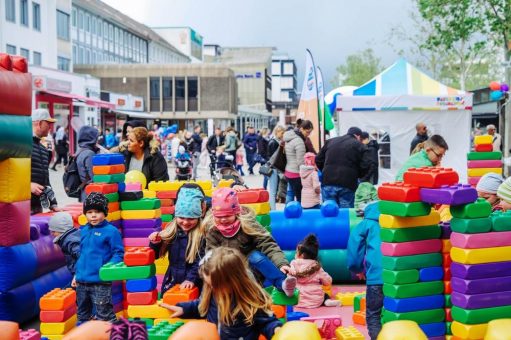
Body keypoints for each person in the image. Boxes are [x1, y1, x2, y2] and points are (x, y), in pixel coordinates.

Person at [160, 247, 282, 339]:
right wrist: (184, 309)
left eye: (216, 285)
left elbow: (267, 322)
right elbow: (202, 307)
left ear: (234, 281)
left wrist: (276, 329)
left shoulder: (251, 299)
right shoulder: (213, 292)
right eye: (209, 284)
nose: (212, 288)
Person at [204, 188, 296, 297]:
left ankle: (282, 284)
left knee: (256, 256)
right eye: (219, 217)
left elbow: (267, 243)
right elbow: (210, 255)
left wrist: (281, 263)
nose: (223, 220)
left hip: (249, 267)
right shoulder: (213, 230)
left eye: (227, 216)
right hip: (227, 269)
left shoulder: (247, 223)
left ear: (236, 213)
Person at [74, 192, 124, 323]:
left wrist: (107, 268)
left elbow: (118, 253)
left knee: (105, 315)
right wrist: (76, 274)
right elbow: (82, 254)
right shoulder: (84, 230)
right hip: (81, 282)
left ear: (104, 213)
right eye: (89, 212)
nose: (93, 215)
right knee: (82, 315)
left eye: (97, 211)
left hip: (100, 282)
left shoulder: (111, 231)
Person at [149, 187, 206, 294]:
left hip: (195, 284)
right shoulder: (171, 231)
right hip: (172, 281)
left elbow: (201, 262)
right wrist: (155, 243)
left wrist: (191, 279)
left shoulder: (202, 236)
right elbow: (156, 255)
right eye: (182, 218)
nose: (185, 222)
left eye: (191, 218)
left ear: (198, 218)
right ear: (176, 216)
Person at [347, 202, 383, 340]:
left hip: (376, 276)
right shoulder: (397, 220)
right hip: (401, 277)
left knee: (373, 315)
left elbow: (354, 246)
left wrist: (357, 269)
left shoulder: (367, 223)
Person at [316, 127, 370, 208]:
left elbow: (318, 159)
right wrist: (357, 175)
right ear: (358, 136)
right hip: (348, 183)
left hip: (328, 181)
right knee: (345, 213)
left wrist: (325, 170)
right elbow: (366, 165)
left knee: (329, 212)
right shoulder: (360, 145)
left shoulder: (331, 141)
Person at [289, 234, 339, 308]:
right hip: (316, 301)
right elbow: (328, 281)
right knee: (325, 294)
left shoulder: (293, 264)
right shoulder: (316, 267)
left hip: (297, 300)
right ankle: (327, 301)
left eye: (296, 252)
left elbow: (288, 280)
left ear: (302, 255)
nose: (295, 254)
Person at [31, 108, 59, 215]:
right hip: (22, 207)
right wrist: (27, 186)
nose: (50, 127)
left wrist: (53, 203)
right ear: (39, 123)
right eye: (48, 123)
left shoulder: (43, 149)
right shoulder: (21, 145)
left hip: (38, 207)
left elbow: (46, 180)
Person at [284, 120, 314, 203]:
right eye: (307, 132)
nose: (308, 135)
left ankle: (288, 212)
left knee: (290, 193)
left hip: (288, 171)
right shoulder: (299, 141)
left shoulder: (290, 137)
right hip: (296, 174)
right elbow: (301, 162)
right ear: (301, 129)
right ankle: (298, 214)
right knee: (300, 199)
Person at [49, 212, 80, 276]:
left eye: (53, 231)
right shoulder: (76, 233)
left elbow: (83, 256)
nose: (52, 234)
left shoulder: (69, 241)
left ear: (61, 230)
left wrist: (78, 274)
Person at [76, 126, 100, 202]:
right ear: (92, 138)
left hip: (83, 191)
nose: (97, 141)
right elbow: (94, 176)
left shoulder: (80, 151)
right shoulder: (89, 153)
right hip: (90, 193)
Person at [268, 125, 286, 210]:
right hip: (274, 169)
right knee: (273, 190)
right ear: (277, 132)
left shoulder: (277, 142)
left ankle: (273, 208)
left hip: (275, 169)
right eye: (282, 133)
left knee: (274, 190)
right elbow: (272, 158)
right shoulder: (274, 142)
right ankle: (273, 209)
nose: (283, 134)